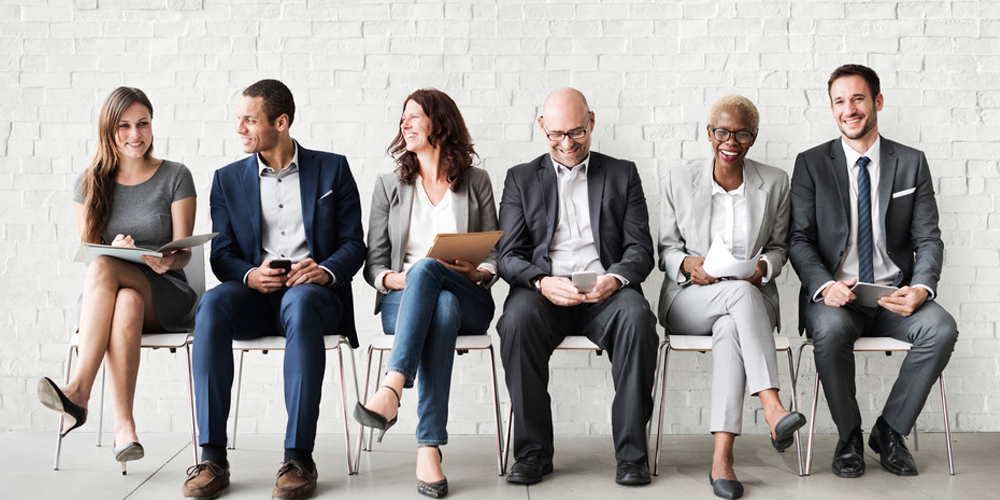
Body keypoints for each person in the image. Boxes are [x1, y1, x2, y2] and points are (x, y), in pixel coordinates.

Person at [181, 79, 365, 500]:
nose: (240, 128)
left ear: (281, 122)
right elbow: (222, 253)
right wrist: (249, 274)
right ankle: (212, 457)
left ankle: (298, 457)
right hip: (255, 294)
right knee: (210, 304)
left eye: (250, 119)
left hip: (314, 295)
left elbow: (354, 244)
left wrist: (325, 270)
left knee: (300, 303)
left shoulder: (332, 169)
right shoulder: (226, 179)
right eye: (239, 119)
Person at [788, 64, 958, 478]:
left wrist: (921, 287)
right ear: (832, 109)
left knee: (941, 328)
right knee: (827, 330)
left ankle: (890, 431)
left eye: (858, 98)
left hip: (892, 296)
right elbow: (799, 239)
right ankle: (849, 436)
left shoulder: (911, 163)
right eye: (840, 102)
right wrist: (825, 286)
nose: (850, 109)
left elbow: (928, 239)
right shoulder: (811, 164)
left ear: (877, 102)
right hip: (837, 299)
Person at [496, 88, 658, 487]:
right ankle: (533, 453)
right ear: (541, 127)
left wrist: (614, 279)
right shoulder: (520, 178)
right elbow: (507, 254)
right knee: (515, 322)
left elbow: (640, 249)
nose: (567, 144)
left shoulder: (623, 173)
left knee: (638, 320)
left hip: (606, 290)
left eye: (576, 133)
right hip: (544, 291)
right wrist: (541, 281)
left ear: (592, 122)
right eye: (555, 135)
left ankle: (632, 456)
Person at [37, 86, 197, 474]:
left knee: (109, 271)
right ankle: (125, 429)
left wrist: (164, 260)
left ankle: (78, 391)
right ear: (109, 130)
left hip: (166, 293)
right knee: (125, 300)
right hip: (110, 300)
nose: (135, 134)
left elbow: (184, 252)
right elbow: (90, 254)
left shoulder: (175, 176)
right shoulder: (89, 182)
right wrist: (113, 246)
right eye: (124, 126)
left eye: (142, 124)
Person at [658, 95, 806, 499]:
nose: (731, 140)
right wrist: (689, 264)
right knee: (737, 297)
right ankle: (773, 407)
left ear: (753, 138)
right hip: (690, 299)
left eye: (741, 133)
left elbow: (779, 248)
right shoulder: (678, 179)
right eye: (722, 131)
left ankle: (722, 459)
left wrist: (764, 268)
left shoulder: (774, 182)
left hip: (746, 305)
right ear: (709, 133)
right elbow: (666, 250)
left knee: (730, 329)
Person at [355, 88, 499, 499]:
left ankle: (392, 388)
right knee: (438, 301)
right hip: (404, 300)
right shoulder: (389, 186)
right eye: (403, 117)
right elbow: (375, 265)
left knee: (438, 282)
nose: (405, 123)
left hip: (468, 292)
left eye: (415, 116)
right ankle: (428, 447)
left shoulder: (476, 182)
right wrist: (397, 279)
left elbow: (496, 252)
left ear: (441, 123)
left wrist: (480, 270)